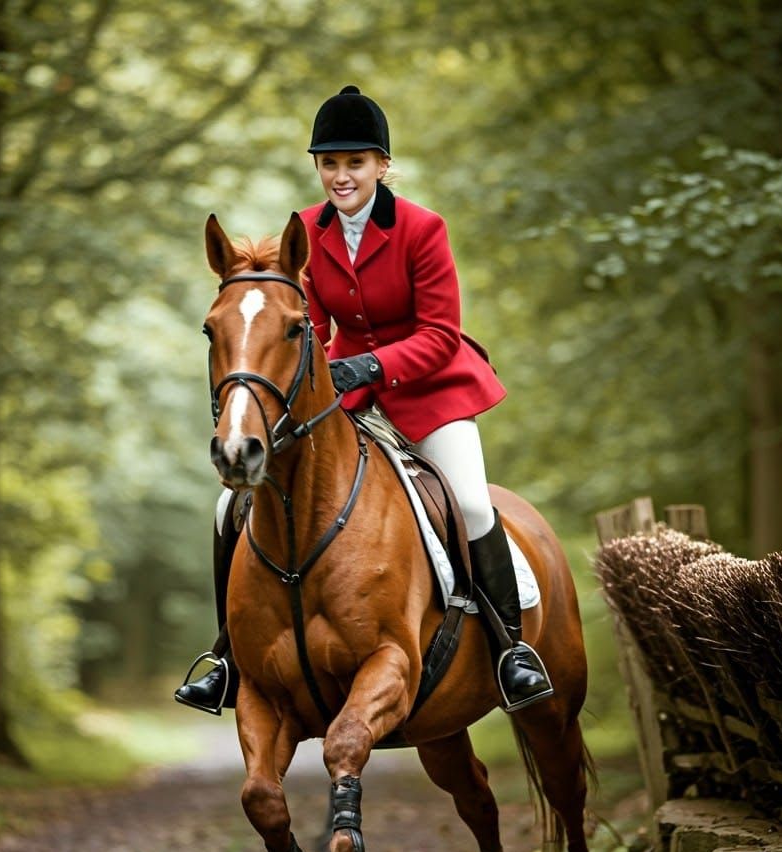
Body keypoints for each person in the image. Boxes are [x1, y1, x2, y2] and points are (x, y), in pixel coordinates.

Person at [175, 85, 553, 716]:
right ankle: (226, 657)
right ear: (318, 168)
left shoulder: (422, 229)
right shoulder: (308, 231)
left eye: (355, 162)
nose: (341, 175)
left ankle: (512, 651)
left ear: (381, 165)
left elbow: (440, 335)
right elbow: (308, 326)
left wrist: (366, 365)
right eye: (329, 163)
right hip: (345, 397)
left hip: (431, 392)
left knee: (468, 502)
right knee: (228, 507)